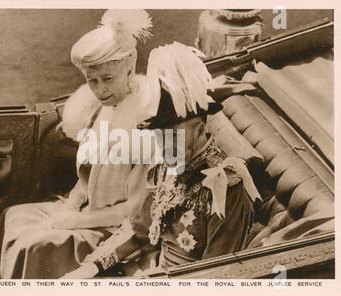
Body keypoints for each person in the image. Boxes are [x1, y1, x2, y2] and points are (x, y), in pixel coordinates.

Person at [0, 9, 156, 279]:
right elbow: (86, 179)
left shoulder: (147, 123)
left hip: (118, 231)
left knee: (33, 245)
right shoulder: (100, 110)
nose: (100, 90)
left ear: (129, 69)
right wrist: (68, 208)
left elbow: (137, 210)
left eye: (108, 79)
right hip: (86, 213)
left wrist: (77, 221)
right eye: (92, 81)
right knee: (10, 218)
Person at [63, 42, 262, 278]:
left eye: (174, 138)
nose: (166, 148)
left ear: (199, 130)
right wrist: (92, 266)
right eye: (159, 137)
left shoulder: (226, 188)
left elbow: (216, 275)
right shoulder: (162, 169)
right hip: (153, 270)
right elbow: (137, 229)